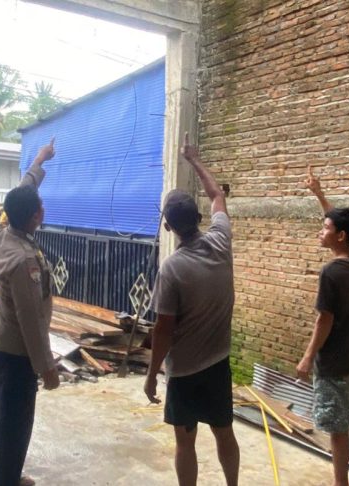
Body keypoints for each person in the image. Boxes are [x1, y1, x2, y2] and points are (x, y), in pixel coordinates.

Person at [145, 133, 240, 486]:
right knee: (224, 432)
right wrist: (194, 159)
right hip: (218, 364)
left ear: (167, 226)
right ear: (199, 217)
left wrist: (151, 374)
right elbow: (217, 196)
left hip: (184, 372)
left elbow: (163, 330)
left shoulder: (171, 269)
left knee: (185, 442)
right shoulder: (221, 240)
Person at [0, 138, 60, 486]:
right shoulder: (23, 261)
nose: (42, 209)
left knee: (2, 417)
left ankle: (4, 476)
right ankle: (5, 480)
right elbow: (30, 320)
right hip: (18, 353)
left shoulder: (1, 233)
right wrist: (46, 367)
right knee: (15, 423)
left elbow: (21, 192)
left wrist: (39, 160)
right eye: (40, 208)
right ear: (35, 216)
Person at [295, 167, 349, 486]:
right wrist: (319, 194)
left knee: (337, 431)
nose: (320, 231)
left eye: (325, 228)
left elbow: (323, 320)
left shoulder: (331, 273)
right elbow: (340, 223)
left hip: (334, 364)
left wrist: (307, 358)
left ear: (339, 236)